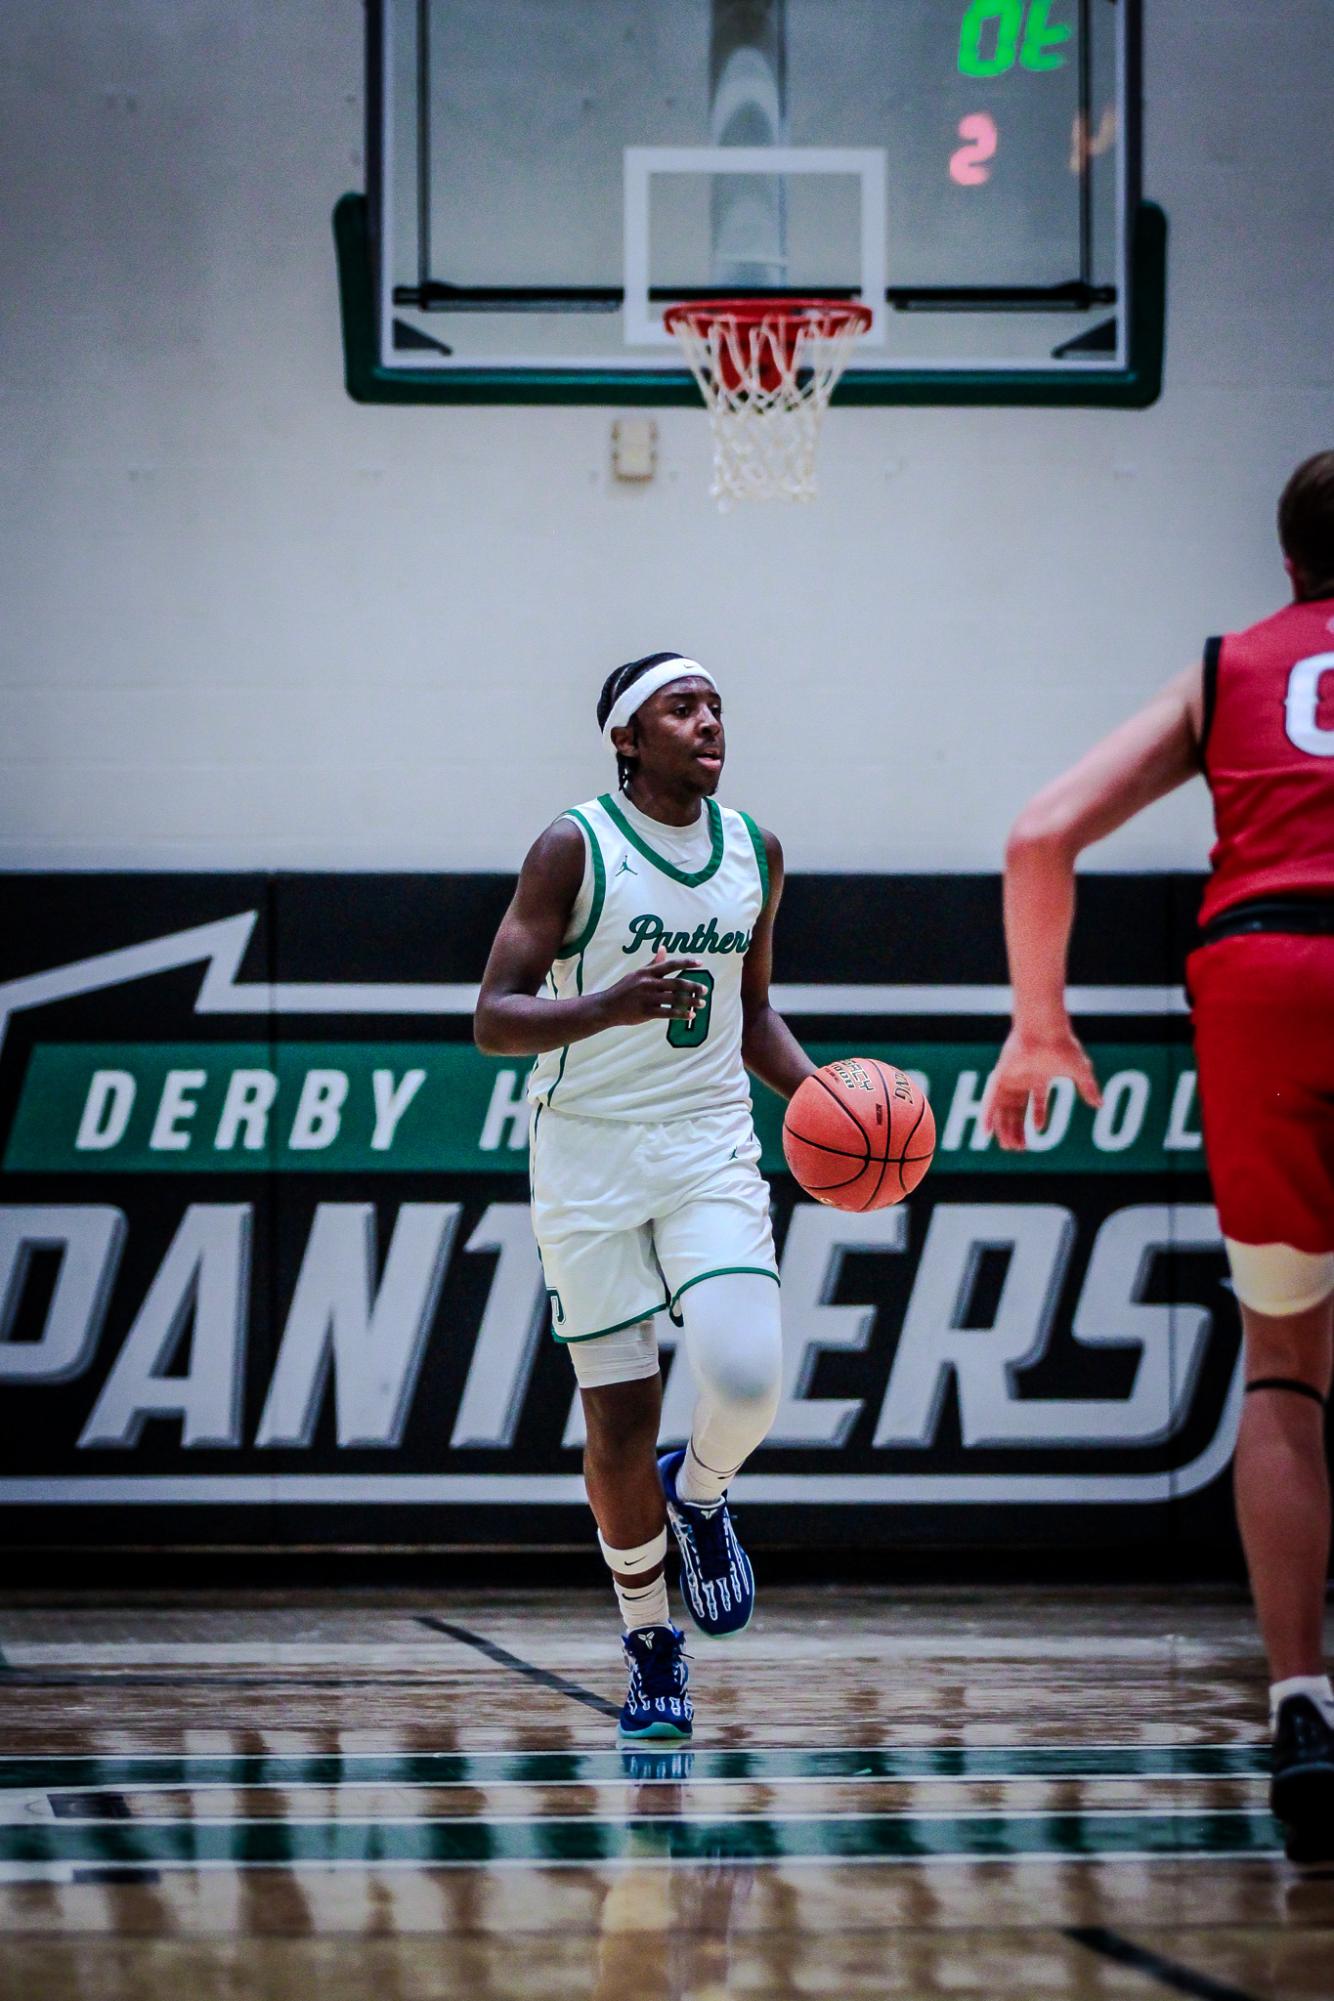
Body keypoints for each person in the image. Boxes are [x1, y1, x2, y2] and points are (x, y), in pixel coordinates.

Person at [983, 451, 1334, 1858]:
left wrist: (1036, 1025)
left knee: (1283, 1365)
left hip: (1258, 975)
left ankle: (1301, 1701)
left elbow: (1036, 832)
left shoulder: (1227, 668)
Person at [474, 652, 815, 1740]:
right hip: (585, 1155)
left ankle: (703, 1492)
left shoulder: (753, 849)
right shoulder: (572, 845)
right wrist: (605, 1008)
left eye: (715, 705)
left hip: (708, 1141)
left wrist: (824, 1104)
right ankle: (649, 1645)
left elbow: (752, 1013)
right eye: (682, 708)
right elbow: (492, 1017)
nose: (708, 722)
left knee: (748, 1377)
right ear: (628, 737)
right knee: (618, 1417)